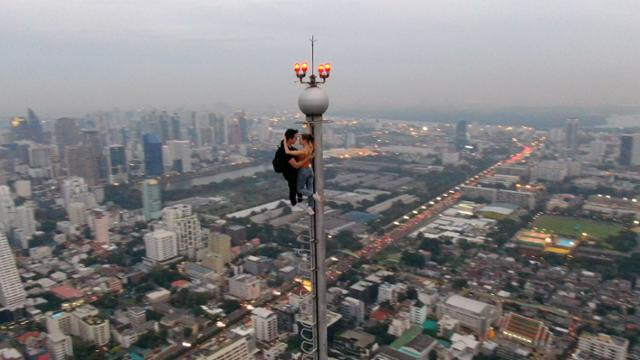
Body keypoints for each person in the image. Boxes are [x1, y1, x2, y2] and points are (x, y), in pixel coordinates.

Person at [284, 133, 316, 215]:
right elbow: (311, 140)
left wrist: (285, 142)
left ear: (305, 140)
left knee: (300, 189)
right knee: (309, 189)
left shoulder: (302, 151)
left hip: (303, 171)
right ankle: (310, 208)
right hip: (310, 170)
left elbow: (287, 151)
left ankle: (314, 195)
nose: (299, 140)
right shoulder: (310, 147)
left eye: (300, 139)